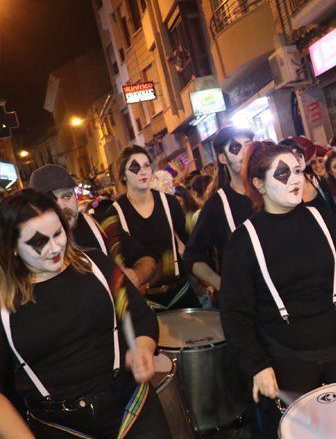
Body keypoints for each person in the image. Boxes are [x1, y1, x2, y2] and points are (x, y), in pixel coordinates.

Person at [220, 141, 336, 439]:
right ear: (259, 184)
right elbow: (234, 314)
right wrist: (257, 365)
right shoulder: (244, 240)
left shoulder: (321, 218)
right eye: (282, 173)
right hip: (286, 356)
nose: (294, 179)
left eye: (297, 170)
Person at [0, 190, 174, 439]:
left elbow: (140, 317)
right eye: (38, 242)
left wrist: (142, 348)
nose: (55, 247)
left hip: (131, 410)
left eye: (58, 233)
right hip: (61, 434)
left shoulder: (98, 267)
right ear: (11, 247)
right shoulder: (3, 304)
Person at [29, 164, 155, 289]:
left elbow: (146, 259)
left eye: (67, 196)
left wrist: (136, 275)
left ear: (75, 196)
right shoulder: (31, 250)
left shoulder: (102, 227)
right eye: (51, 201)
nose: (62, 206)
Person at [108, 146, 199, 310]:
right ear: (123, 175)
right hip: (144, 303)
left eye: (147, 165)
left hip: (180, 293)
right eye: (135, 167)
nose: (143, 172)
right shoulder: (115, 213)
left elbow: (191, 244)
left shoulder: (169, 203)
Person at [184, 127, 255, 298]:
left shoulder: (272, 190)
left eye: (249, 145)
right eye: (236, 148)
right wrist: (222, 284)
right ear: (223, 158)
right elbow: (192, 256)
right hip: (248, 304)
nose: (246, 152)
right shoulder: (217, 206)